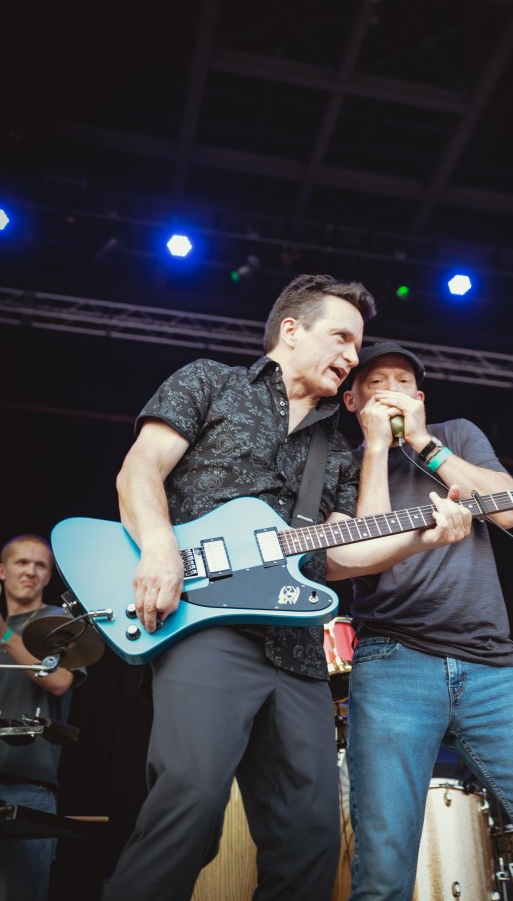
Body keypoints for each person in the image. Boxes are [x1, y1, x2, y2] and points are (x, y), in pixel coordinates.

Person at [103, 275, 472, 901]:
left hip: (297, 650)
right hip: (206, 627)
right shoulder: (210, 382)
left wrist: (423, 539)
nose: (353, 357)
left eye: (357, 344)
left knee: (312, 840)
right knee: (190, 803)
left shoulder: (338, 448)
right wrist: (160, 547)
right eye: (342, 338)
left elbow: (346, 553)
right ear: (292, 330)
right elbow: (141, 468)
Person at [341, 341, 513, 901]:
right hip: (393, 663)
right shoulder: (339, 463)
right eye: (376, 383)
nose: (390, 391)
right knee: (384, 866)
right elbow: (365, 544)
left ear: (420, 399)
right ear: (352, 400)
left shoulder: (457, 434)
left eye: (402, 382)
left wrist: (423, 443)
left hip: (492, 667)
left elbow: (508, 510)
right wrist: (377, 449)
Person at [0, 533, 83, 901]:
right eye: (22, 562)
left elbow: (61, 681)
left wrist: (5, 635)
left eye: (40, 565)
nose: (30, 571)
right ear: (2, 571)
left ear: (49, 576)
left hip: (28, 785)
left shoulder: (56, 622)